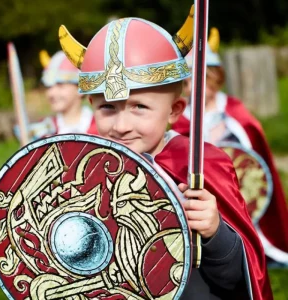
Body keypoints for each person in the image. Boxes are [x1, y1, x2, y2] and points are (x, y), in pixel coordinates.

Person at [59, 14, 272, 299]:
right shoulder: (79, 172)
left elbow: (236, 277)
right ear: (91, 105)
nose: (121, 126)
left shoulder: (200, 165)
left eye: (139, 107)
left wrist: (214, 232)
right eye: (108, 107)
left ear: (175, 110)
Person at [173, 28, 288, 265]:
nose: (193, 87)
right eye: (187, 81)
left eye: (200, 78)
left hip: (237, 189)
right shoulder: (181, 119)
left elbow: (254, 163)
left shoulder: (236, 114)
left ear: (215, 77)